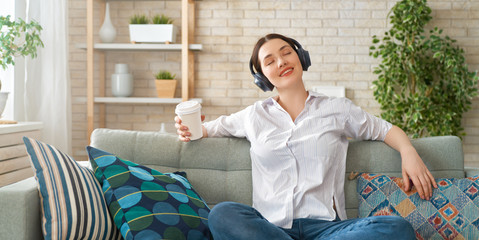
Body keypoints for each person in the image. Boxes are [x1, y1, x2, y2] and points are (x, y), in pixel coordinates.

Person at [175, 33, 437, 240]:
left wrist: (408, 152)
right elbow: (205, 129)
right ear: (262, 78)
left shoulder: (337, 108)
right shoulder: (253, 116)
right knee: (223, 214)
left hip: (329, 231)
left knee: (396, 228)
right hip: (270, 230)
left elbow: (384, 129)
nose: (281, 62)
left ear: (301, 57)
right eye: (269, 61)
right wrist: (189, 127)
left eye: (287, 52)